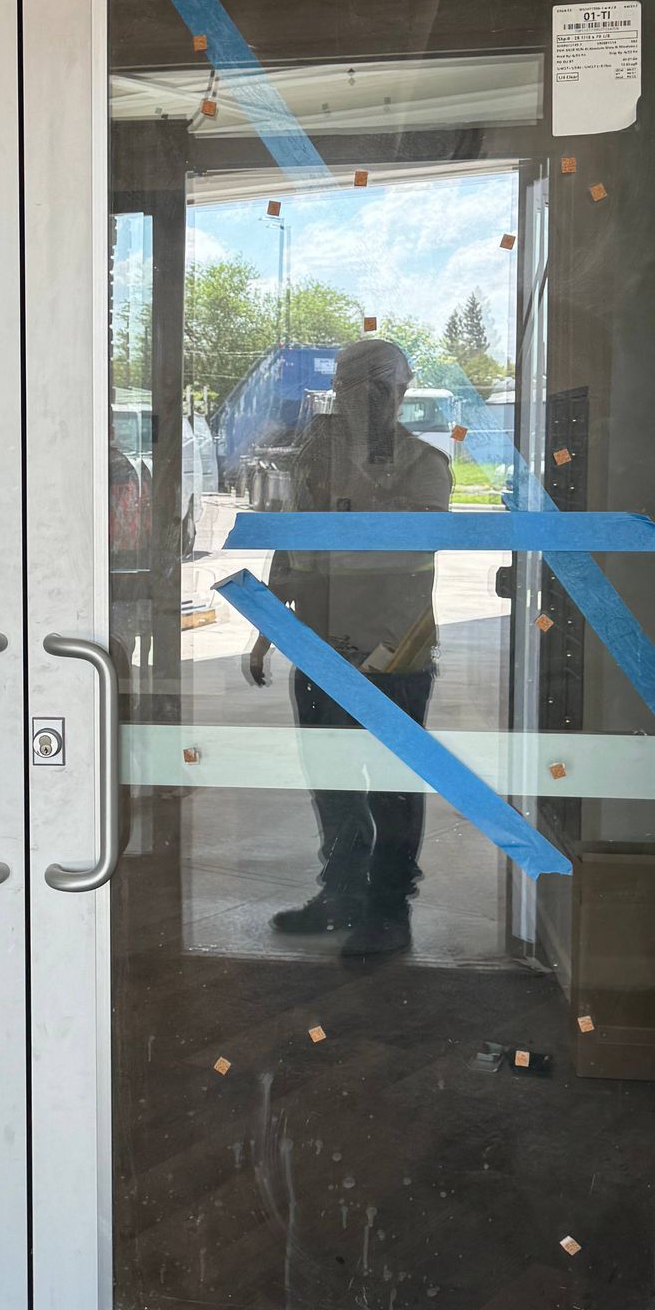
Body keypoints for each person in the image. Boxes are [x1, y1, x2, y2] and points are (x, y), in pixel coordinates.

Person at [245, 335, 449, 958]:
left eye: (380, 386)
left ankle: (388, 908)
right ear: (337, 389)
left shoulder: (424, 463)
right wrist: (268, 626)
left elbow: (407, 550)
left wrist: (320, 559)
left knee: (390, 782)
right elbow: (292, 542)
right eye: (354, 384)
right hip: (319, 644)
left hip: (396, 651)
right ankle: (341, 893)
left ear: (402, 391)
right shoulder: (318, 459)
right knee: (331, 778)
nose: (365, 399)